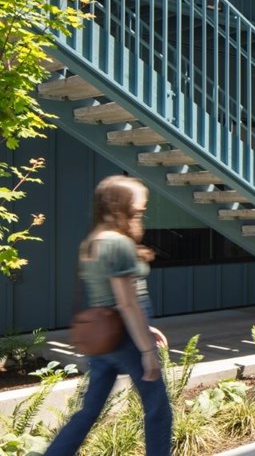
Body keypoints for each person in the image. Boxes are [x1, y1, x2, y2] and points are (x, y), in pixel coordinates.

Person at [46, 176, 172, 456]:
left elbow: (105, 297)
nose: (143, 209)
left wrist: (146, 329)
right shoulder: (118, 244)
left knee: (89, 410)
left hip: (105, 339)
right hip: (126, 338)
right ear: (120, 204)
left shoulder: (92, 241)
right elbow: (128, 304)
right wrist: (147, 349)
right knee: (158, 409)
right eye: (139, 205)